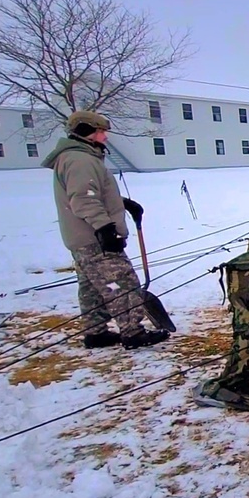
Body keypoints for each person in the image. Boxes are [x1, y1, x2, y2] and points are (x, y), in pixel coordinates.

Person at [40, 110, 171, 350]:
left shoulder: (77, 157)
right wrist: (105, 229)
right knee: (120, 282)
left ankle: (96, 332)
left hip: (81, 238)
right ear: (86, 132)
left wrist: (122, 203)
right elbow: (84, 199)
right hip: (94, 238)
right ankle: (133, 332)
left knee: (92, 286)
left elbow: (93, 193)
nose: (105, 137)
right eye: (101, 131)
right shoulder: (80, 160)